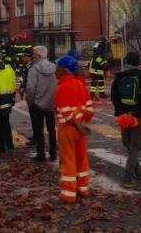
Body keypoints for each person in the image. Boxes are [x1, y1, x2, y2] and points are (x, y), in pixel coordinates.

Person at [111, 52, 141, 188]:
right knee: (135, 148)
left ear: (126, 61)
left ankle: (138, 172)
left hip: (124, 117)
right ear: (138, 61)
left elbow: (114, 97)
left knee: (128, 145)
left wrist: (120, 112)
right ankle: (127, 178)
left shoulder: (119, 77)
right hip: (139, 117)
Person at [55, 55, 90, 202]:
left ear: (64, 70)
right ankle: (83, 189)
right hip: (80, 127)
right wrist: (82, 125)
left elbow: (66, 113)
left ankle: (68, 194)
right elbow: (88, 109)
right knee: (81, 159)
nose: (55, 71)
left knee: (68, 160)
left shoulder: (62, 87)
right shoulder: (81, 85)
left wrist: (76, 125)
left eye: (57, 68)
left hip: (68, 128)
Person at [25, 46, 57, 161]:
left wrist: (30, 102)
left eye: (33, 53)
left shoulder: (34, 69)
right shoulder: (54, 67)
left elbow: (30, 89)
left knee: (38, 131)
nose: (32, 55)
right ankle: (53, 152)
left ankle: (41, 154)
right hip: (51, 104)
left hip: (37, 104)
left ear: (38, 55)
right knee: (52, 130)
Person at [18, 47, 36, 145]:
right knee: (33, 117)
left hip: (34, 96)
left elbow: (30, 81)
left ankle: (37, 138)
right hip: (30, 95)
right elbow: (24, 79)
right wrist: (22, 86)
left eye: (24, 56)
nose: (22, 58)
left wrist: (24, 87)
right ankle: (35, 135)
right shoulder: (27, 66)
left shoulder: (32, 67)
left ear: (29, 57)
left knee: (35, 117)